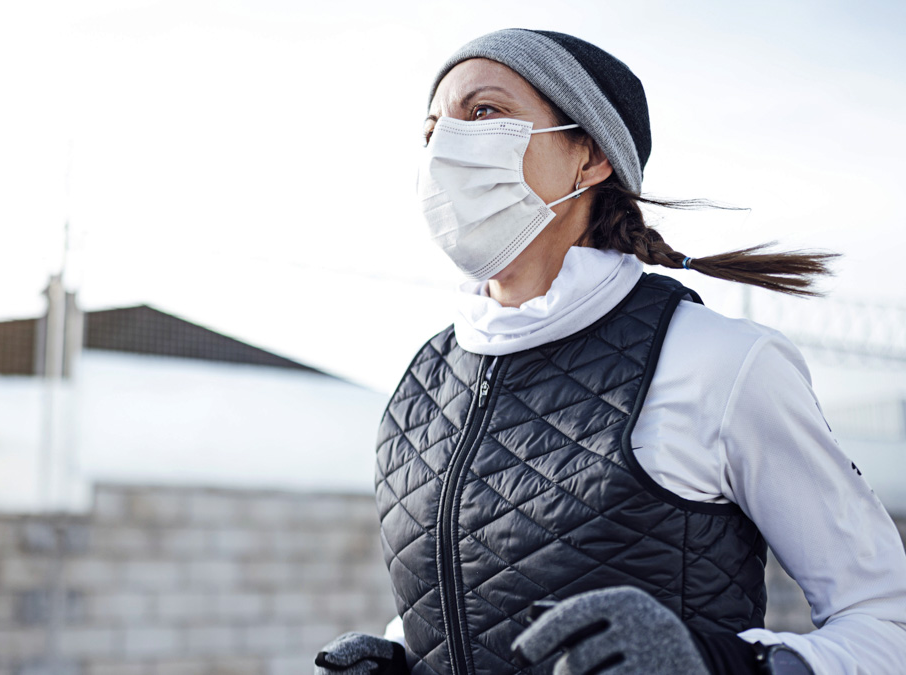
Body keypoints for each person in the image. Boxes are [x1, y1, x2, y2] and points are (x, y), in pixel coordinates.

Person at [313, 28, 906, 675]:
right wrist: (398, 657)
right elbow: (462, 605)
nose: (446, 148)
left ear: (590, 156)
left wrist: (721, 665)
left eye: (483, 111)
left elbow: (888, 622)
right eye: (433, 130)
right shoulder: (422, 384)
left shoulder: (717, 361)